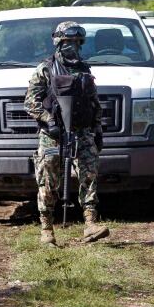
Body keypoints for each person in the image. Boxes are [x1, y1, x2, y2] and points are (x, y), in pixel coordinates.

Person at [24, 21, 110, 246]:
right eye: (68, 42)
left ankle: (90, 224)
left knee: (89, 174)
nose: (73, 46)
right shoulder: (45, 68)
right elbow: (30, 102)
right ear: (59, 43)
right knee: (48, 180)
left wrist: (98, 128)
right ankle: (47, 230)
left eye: (76, 42)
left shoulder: (84, 69)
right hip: (53, 134)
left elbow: (93, 102)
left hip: (82, 132)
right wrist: (48, 119)